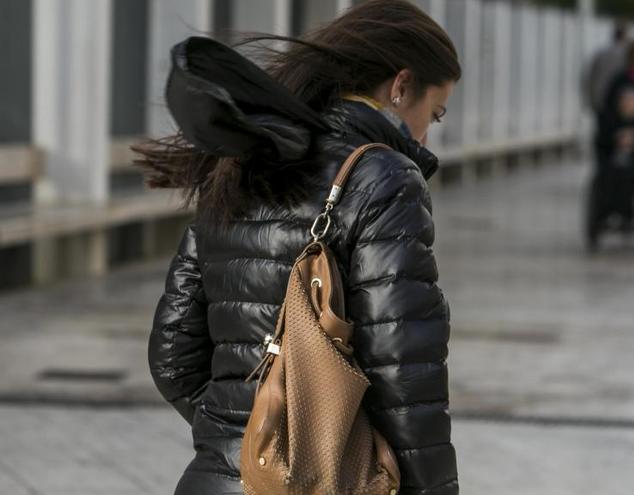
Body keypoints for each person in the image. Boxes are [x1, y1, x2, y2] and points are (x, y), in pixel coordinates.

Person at [133, 1, 461, 494]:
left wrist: (242, 434)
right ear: (400, 86)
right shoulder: (385, 178)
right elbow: (404, 375)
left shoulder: (241, 160)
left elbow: (172, 355)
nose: (426, 133)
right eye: (433, 114)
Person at [583, 21, 629, 115]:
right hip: (622, 101)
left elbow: (590, 78)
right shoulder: (629, 55)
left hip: (601, 99)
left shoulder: (601, 54)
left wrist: (591, 100)